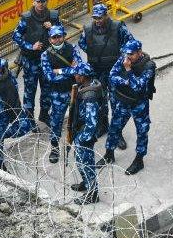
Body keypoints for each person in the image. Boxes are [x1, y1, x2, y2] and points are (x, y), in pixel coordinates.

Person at [77, 2, 133, 150]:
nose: (97, 20)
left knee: (116, 103)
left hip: (114, 69)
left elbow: (130, 42)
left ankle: (117, 132)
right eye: (95, 17)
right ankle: (103, 126)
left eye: (100, 17)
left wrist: (121, 54)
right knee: (100, 101)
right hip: (97, 70)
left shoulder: (117, 26)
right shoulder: (88, 30)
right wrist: (95, 53)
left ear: (106, 15)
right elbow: (82, 44)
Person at [98, 39, 155, 176]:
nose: (128, 57)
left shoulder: (149, 66)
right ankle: (109, 154)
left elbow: (138, 87)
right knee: (114, 127)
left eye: (131, 54)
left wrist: (128, 70)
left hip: (139, 103)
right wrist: (126, 81)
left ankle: (139, 160)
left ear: (139, 52)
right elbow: (112, 76)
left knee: (142, 132)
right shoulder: (124, 58)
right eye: (126, 53)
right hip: (124, 100)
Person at [12, 0, 62, 125]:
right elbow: (15, 36)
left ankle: (44, 115)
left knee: (47, 89)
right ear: (33, 2)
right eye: (38, 1)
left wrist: (52, 28)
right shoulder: (26, 18)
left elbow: (61, 34)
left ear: (46, 1)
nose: (40, 4)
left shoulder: (52, 16)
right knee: (30, 91)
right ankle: (29, 121)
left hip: (48, 60)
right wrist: (30, 46)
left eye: (43, 1)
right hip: (31, 60)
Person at [40, 25, 83, 164]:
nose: (57, 39)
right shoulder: (45, 55)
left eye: (59, 36)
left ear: (64, 36)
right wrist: (70, 70)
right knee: (56, 122)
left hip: (73, 91)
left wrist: (58, 71)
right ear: (49, 39)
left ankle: (77, 144)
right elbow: (50, 77)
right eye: (54, 37)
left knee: (77, 118)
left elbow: (80, 69)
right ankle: (54, 148)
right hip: (57, 94)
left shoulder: (72, 48)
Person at [68, 62, 101, 205]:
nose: (74, 76)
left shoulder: (89, 96)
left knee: (86, 164)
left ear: (83, 76)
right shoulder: (84, 87)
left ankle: (92, 194)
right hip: (80, 130)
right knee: (80, 161)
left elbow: (92, 122)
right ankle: (86, 183)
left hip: (85, 135)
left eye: (77, 74)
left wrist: (82, 139)